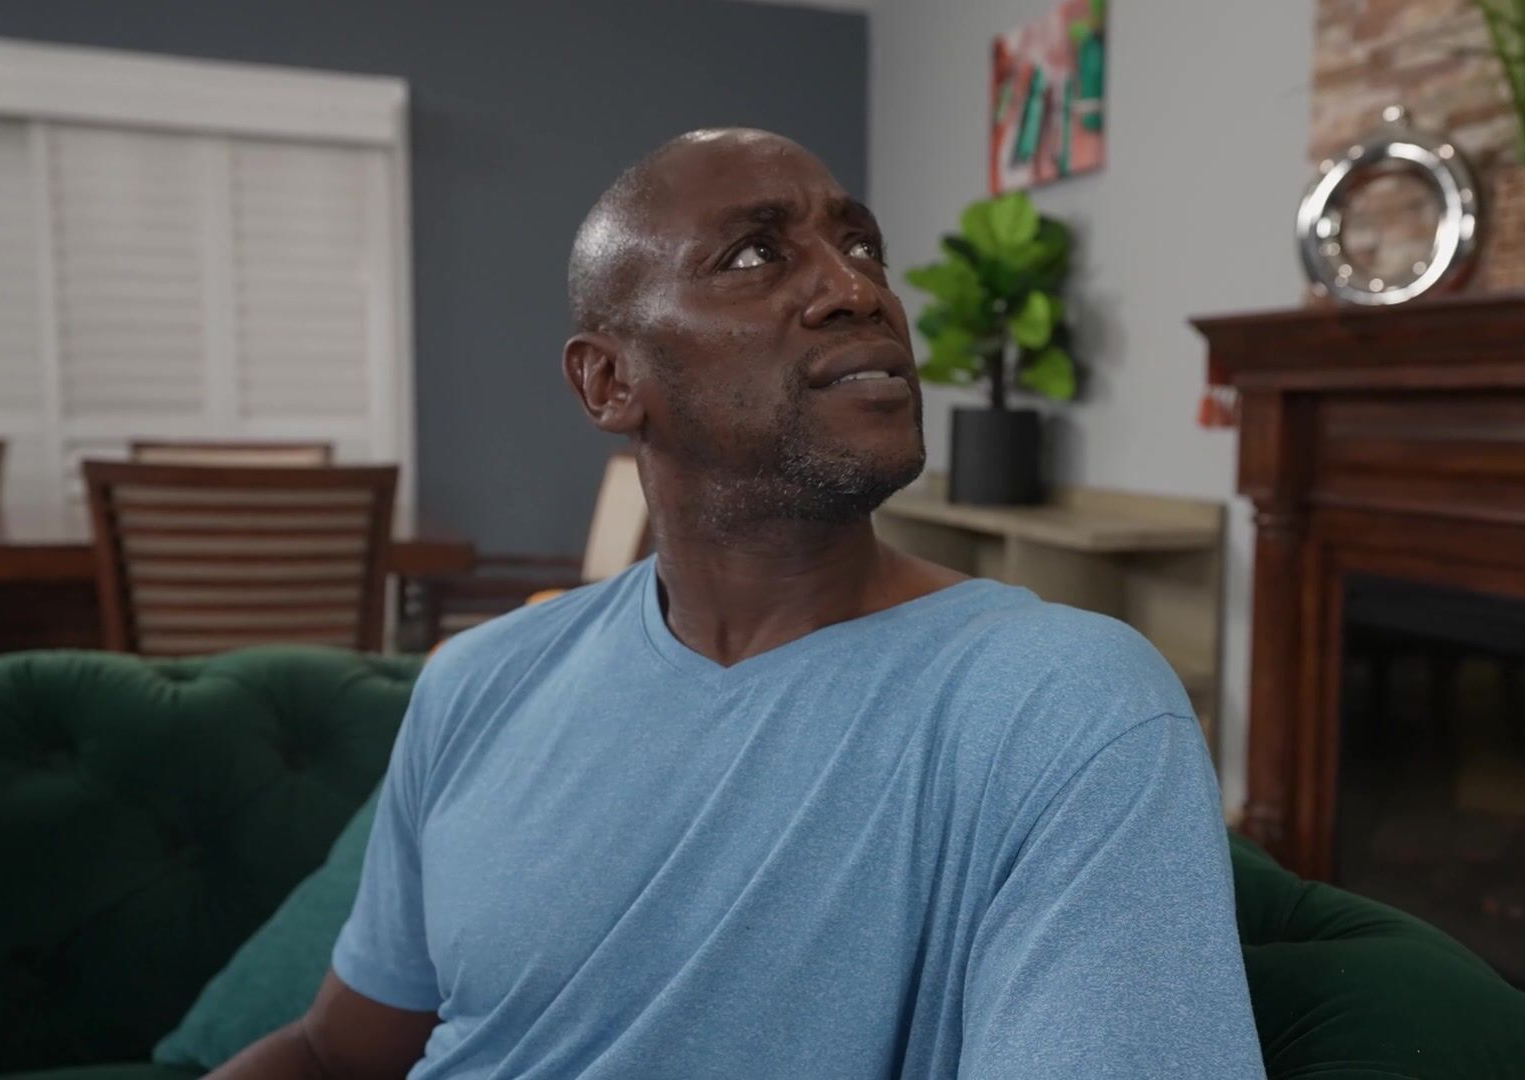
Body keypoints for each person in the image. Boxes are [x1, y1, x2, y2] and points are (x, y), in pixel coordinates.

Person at [214, 128, 1265, 1079]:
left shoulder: (1063, 704)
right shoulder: (477, 683)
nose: (856, 290)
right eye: (756, 255)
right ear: (608, 383)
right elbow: (331, 1053)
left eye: (862, 247)